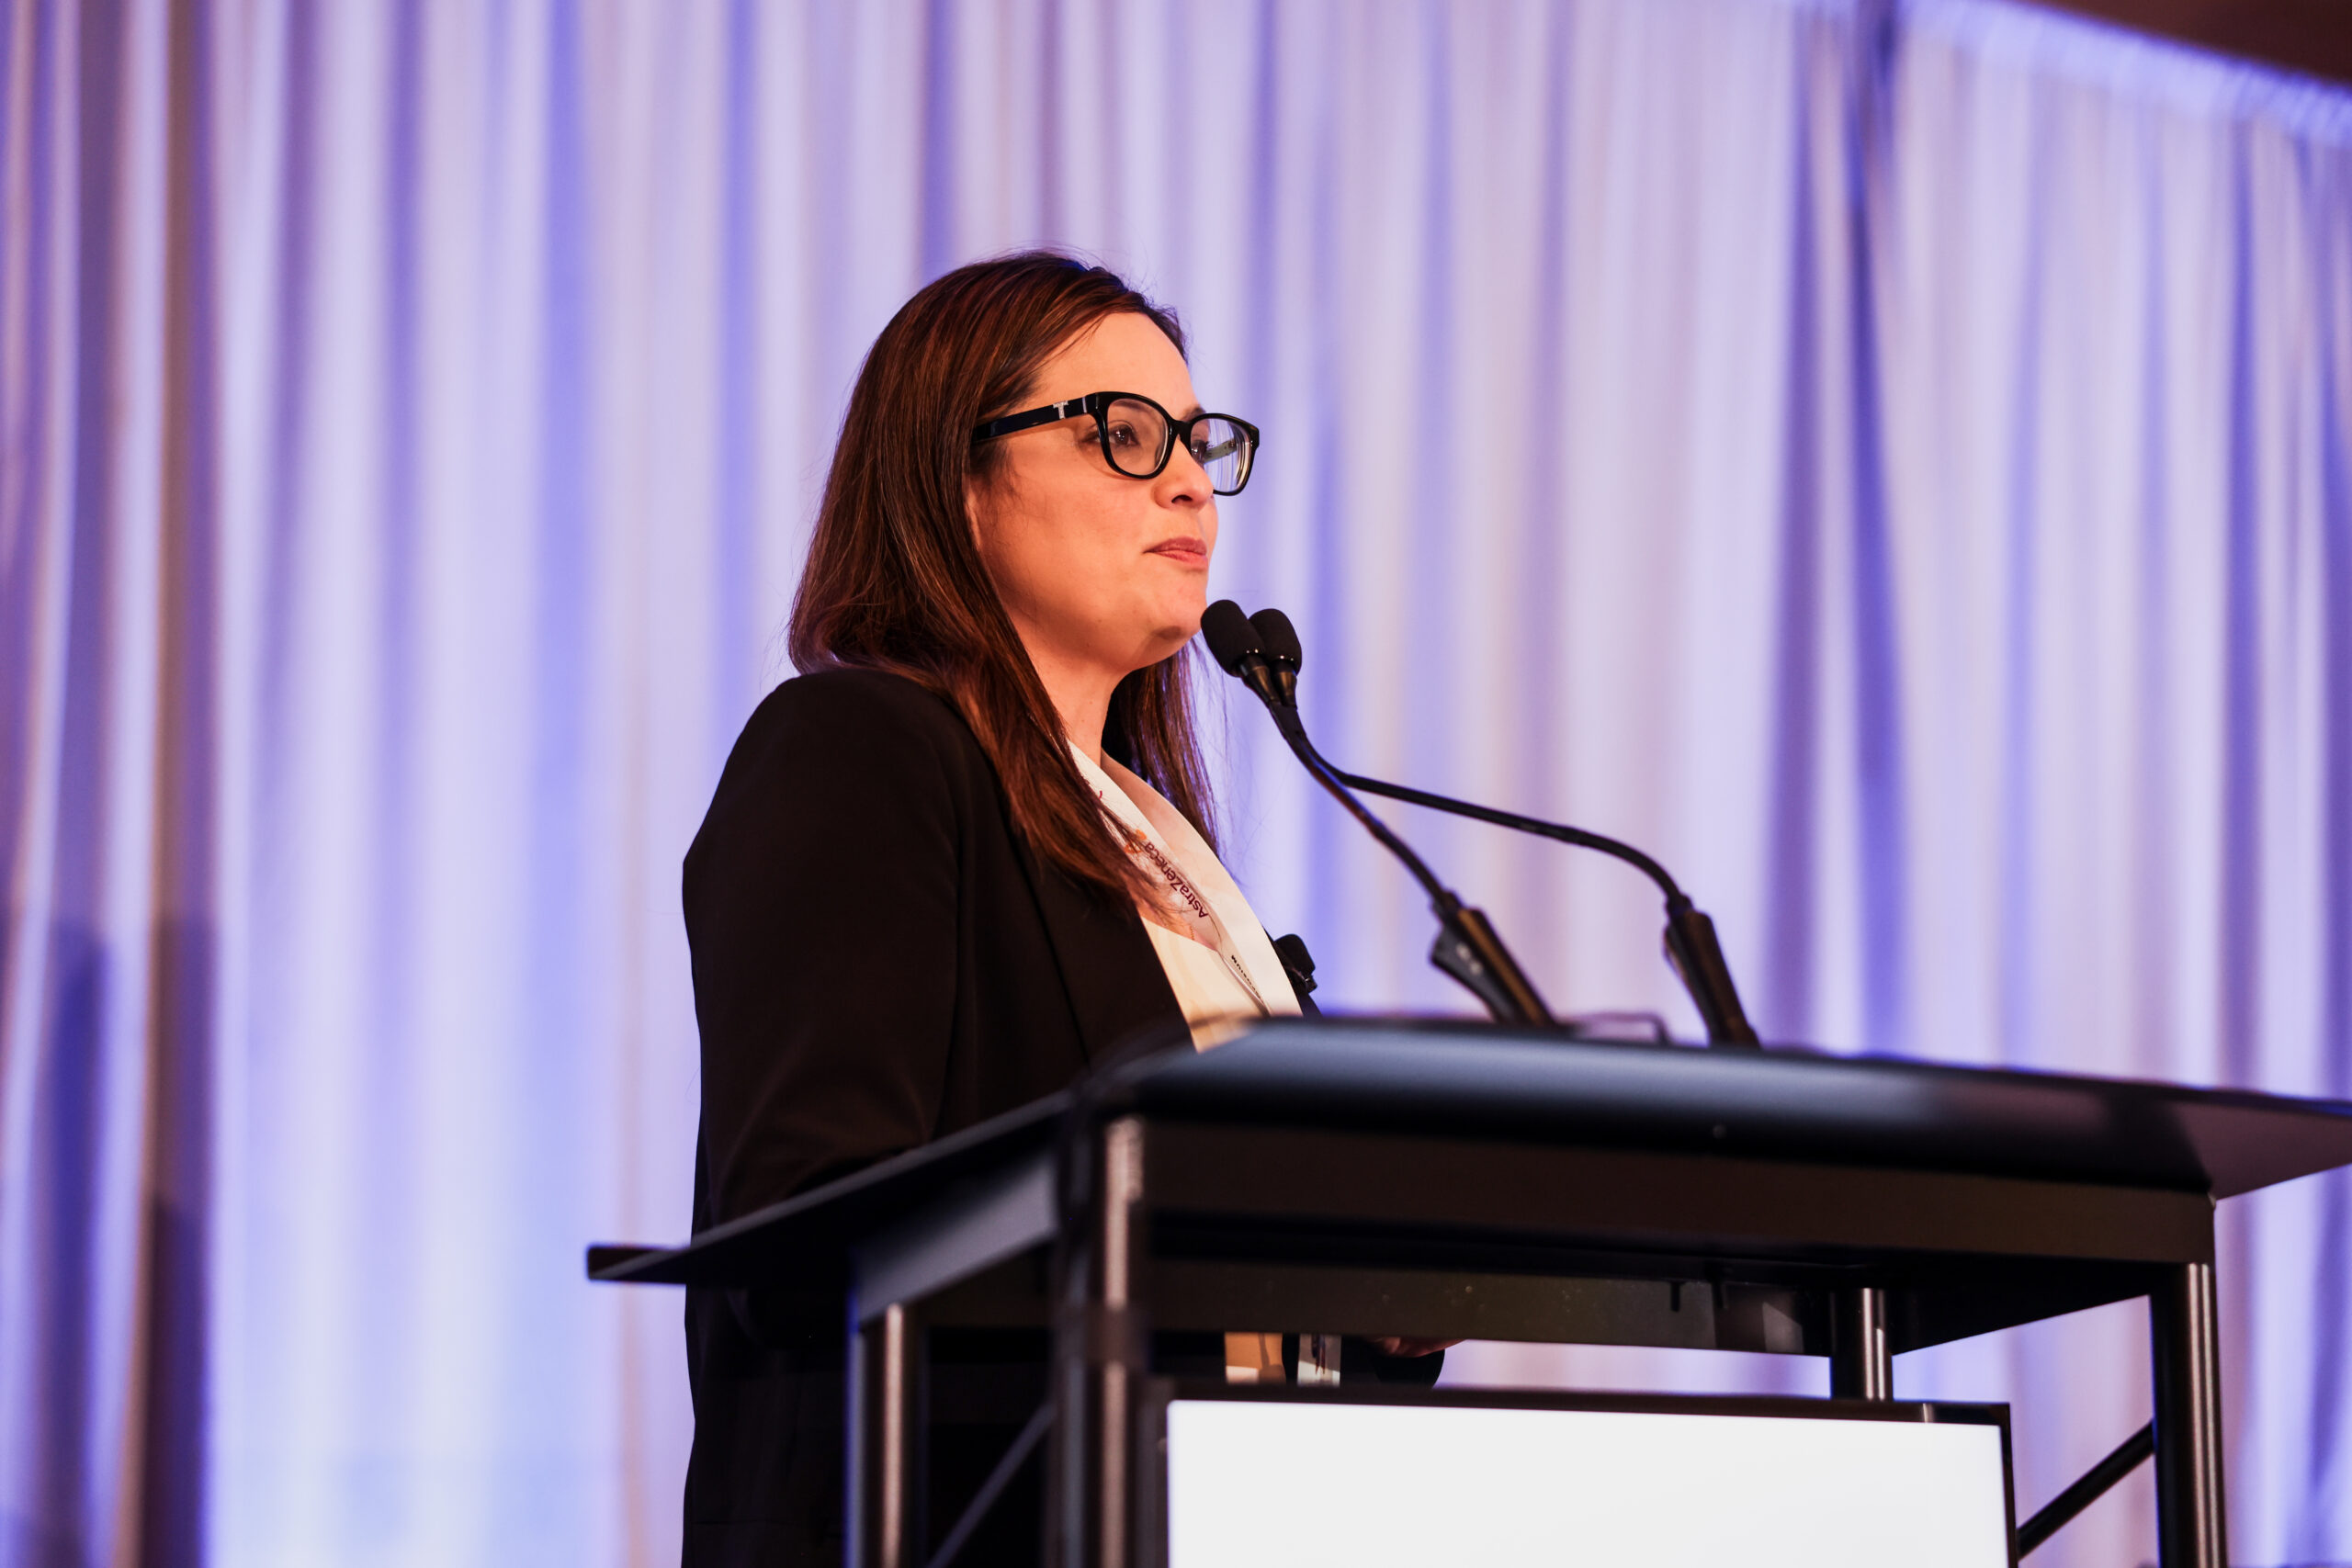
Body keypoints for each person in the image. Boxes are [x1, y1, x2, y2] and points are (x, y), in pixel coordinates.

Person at [679, 252, 1441, 1566]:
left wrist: (1384, 1303)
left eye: (1197, 441)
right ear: (960, 481)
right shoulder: (859, 747)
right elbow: (805, 1229)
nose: (1189, 482)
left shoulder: (1148, 825)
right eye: (1126, 435)